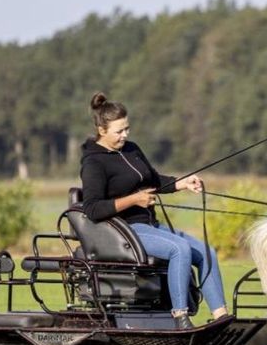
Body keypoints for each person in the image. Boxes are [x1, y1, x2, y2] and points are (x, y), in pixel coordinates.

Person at [80, 92, 227, 329]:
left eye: (127, 128)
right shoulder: (93, 163)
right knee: (179, 249)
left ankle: (221, 317)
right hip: (125, 231)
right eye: (119, 131)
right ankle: (180, 315)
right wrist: (134, 199)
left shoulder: (131, 149)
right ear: (101, 129)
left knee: (206, 251)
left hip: (150, 226)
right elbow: (93, 208)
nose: (125, 135)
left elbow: (154, 180)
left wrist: (182, 183)